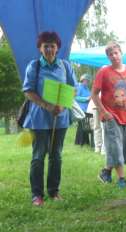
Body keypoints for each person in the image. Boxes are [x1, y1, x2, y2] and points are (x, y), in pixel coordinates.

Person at [22, 31, 77, 206]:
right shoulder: (34, 66)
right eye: (45, 45)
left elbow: (72, 88)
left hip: (60, 119)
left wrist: (63, 104)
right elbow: (28, 91)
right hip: (38, 120)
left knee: (56, 156)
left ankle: (54, 192)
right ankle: (36, 195)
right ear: (40, 48)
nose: (49, 49)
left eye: (52, 46)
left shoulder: (65, 66)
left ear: (57, 48)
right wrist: (48, 106)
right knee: (38, 156)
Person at [92, 41, 126, 188]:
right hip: (110, 115)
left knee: (124, 147)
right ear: (108, 57)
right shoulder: (103, 72)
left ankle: (106, 172)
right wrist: (103, 111)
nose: (114, 56)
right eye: (110, 54)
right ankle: (122, 179)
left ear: (121, 53)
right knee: (115, 145)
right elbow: (94, 94)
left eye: (116, 53)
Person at [75, 74, 91, 146]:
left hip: (87, 109)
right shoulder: (79, 87)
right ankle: (79, 142)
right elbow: (75, 97)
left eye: (88, 81)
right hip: (81, 108)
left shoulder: (87, 89)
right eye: (86, 80)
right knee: (81, 126)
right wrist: (86, 99)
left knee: (86, 125)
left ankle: (86, 142)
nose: (87, 82)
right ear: (82, 80)